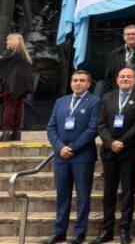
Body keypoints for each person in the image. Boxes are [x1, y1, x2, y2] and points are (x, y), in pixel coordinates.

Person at [92, 68, 135, 244]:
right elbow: (100, 124)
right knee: (108, 192)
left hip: (130, 152)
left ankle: (125, 229)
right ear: (117, 80)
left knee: (128, 191)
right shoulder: (108, 97)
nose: (125, 79)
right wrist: (110, 143)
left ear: (134, 80)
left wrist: (121, 142)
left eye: (129, 76)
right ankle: (107, 230)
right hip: (109, 152)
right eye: (122, 76)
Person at [43, 70, 101, 244]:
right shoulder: (61, 102)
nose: (78, 83)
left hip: (82, 156)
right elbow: (51, 127)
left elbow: (93, 129)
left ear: (88, 84)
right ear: (70, 83)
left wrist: (73, 148)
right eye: (75, 80)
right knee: (62, 195)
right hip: (61, 157)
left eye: (82, 80)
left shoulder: (95, 102)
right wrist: (60, 147)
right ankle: (59, 231)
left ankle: (79, 232)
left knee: (83, 196)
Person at [0, 33, 34, 141]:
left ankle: (7, 133)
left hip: (11, 86)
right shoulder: (23, 55)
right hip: (21, 87)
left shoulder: (10, 54)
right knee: (18, 108)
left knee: (9, 107)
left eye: (9, 40)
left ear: (14, 41)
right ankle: (16, 133)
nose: (7, 42)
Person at [103, 25, 135, 96]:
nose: (131, 36)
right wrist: (106, 95)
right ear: (124, 36)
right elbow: (108, 77)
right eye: (128, 34)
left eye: (133, 34)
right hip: (117, 93)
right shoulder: (114, 54)